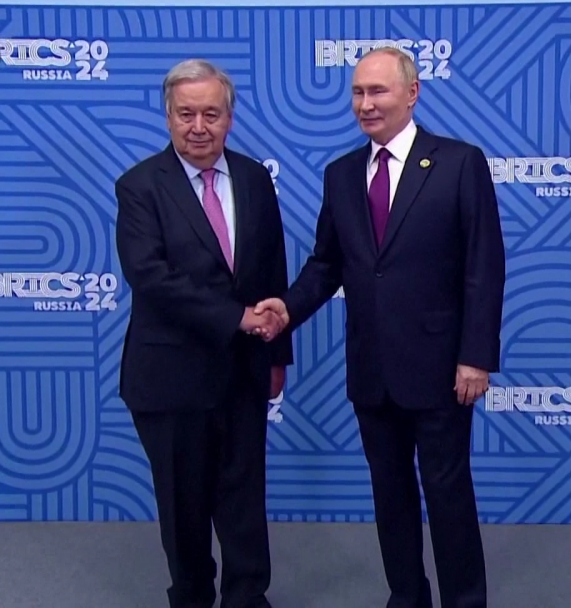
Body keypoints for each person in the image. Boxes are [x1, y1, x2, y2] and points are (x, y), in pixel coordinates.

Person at [254, 46, 506, 608]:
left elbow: (483, 267)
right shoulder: (341, 174)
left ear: (411, 94)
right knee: (389, 496)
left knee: (447, 495)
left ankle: (465, 601)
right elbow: (326, 264)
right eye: (358, 93)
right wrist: (287, 309)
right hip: (371, 369)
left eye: (378, 91)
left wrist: (475, 356)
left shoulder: (459, 163)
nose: (365, 104)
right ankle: (406, 597)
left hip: (442, 369)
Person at [114, 58, 292, 608]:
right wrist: (236, 318)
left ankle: (248, 598)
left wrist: (276, 355)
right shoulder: (140, 186)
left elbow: (271, 270)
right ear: (168, 116)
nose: (198, 127)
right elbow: (150, 277)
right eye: (185, 114)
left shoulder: (255, 179)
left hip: (244, 371)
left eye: (210, 114)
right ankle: (191, 598)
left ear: (229, 118)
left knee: (244, 501)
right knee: (184, 505)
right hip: (170, 378)